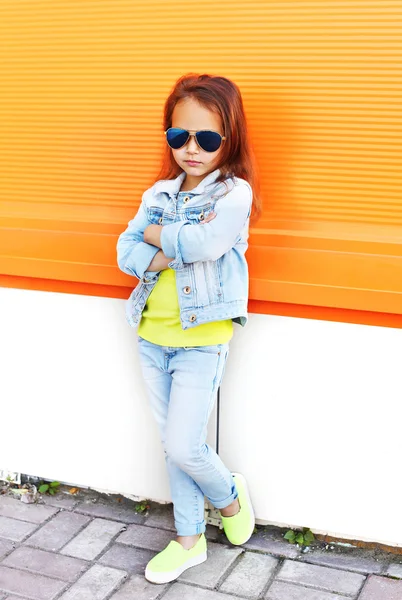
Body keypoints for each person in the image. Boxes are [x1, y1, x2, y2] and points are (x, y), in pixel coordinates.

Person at [116, 73, 261, 585]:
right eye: (179, 137)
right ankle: (189, 539)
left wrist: (157, 237)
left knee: (184, 444)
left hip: (202, 339)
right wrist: (170, 242)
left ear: (231, 137)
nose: (191, 149)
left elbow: (207, 246)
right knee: (171, 442)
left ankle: (227, 497)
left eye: (207, 138)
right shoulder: (157, 191)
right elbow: (124, 254)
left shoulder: (235, 193)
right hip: (151, 334)